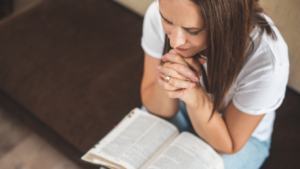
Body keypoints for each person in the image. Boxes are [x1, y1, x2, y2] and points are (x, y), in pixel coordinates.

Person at [140, 0, 289, 168]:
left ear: (227, 21)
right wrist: (169, 78)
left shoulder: (268, 62)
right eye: (166, 20)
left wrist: (195, 96)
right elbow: (157, 109)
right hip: (183, 109)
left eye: (192, 31)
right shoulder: (161, 12)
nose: (175, 42)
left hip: (236, 138)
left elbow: (229, 145)